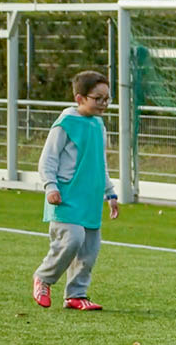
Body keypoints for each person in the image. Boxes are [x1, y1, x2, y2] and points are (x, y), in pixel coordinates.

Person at [32, 70, 118, 311]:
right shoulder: (65, 124)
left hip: (89, 197)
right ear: (80, 98)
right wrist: (50, 186)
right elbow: (47, 159)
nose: (104, 104)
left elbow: (99, 163)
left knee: (89, 249)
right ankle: (43, 278)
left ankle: (76, 295)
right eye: (98, 98)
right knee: (72, 239)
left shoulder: (98, 125)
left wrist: (110, 193)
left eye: (107, 99)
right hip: (65, 196)